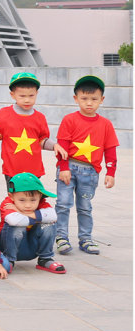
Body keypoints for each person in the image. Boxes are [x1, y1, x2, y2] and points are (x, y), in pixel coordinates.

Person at [54, 74, 119, 256]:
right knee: (63, 204)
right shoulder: (69, 120)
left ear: (101, 100)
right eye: (84, 99)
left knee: (85, 206)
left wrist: (111, 172)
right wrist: (63, 167)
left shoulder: (105, 124)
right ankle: (61, 237)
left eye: (94, 99)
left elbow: (110, 150)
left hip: (90, 172)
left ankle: (85, 238)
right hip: (69, 167)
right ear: (76, 98)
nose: (89, 103)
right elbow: (62, 146)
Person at [0, 72, 58, 182]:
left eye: (31, 96)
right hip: (12, 170)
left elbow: (42, 141)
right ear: (12, 95)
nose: (27, 100)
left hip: (34, 171)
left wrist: (55, 146)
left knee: (33, 194)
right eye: (22, 96)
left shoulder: (40, 117)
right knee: (14, 193)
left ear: (36, 93)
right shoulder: (4, 113)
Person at [0, 173, 64, 273]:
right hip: (8, 244)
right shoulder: (7, 203)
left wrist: (21, 212)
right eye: (22, 200)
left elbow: (53, 216)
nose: (28, 205)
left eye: (33, 200)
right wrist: (39, 217)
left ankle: (45, 258)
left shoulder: (42, 203)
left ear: (40, 196)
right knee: (17, 225)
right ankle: (9, 260)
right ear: (11, 196)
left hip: (32, 246)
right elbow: (14, 220)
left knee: (49, 224)